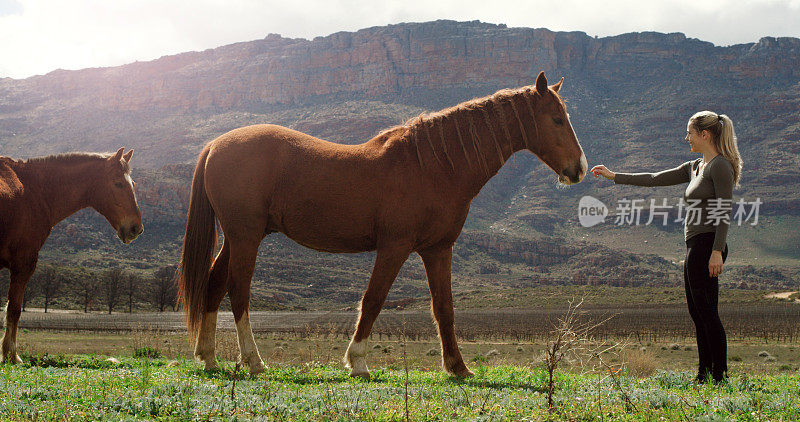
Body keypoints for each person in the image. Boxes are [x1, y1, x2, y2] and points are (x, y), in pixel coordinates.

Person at [590, 111, 742, 383]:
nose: (687, 138)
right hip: (694, 245)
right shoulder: (695, 166)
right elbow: (654, 178)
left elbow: (724, 211)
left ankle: (719, 376)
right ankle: (704, 374)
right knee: (698, 314)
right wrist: (614, 176)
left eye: (690, 133)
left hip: (708, 244)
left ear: (704, 135)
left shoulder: (720, 166)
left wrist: (717, 251)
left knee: (708, 313)